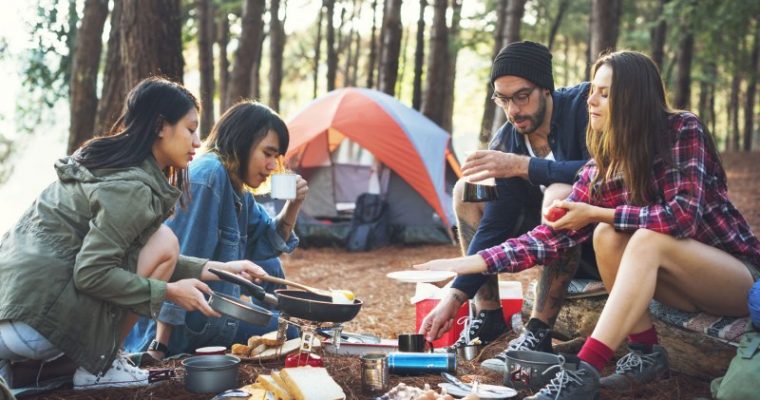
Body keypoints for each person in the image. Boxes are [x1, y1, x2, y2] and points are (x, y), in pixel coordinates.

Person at [415, 50, 760, 399]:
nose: (591, 101)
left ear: (634, 98)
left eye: (604, 93)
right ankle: (645, 354)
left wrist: (597, 214)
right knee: (608, 236)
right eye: (594, 90)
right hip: (676, 286)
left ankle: (584, 371)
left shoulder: (682, 128)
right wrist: (470, 266)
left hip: (733, 279)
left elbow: (681, 218)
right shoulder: (607, 159)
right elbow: (551, 236)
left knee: (643, 238)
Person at [0, 78, 272, 390]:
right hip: (37, 325)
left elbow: (135, 254)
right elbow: (91, 273)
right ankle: (100, 367)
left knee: (161, 242)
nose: (197, 141)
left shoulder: (110, 166)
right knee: (165, 240)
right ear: (160, 126)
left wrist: (222, 270)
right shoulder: (132, 187)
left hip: (14, 312)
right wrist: (169, 292)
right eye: (190, 129)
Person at [419, 40, 596, 369]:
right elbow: (496, 225)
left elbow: (606, 171)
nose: (513, 110)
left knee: (559, 193)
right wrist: (455, 296)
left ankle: (539, 332)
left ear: (546, 89)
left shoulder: (584, 109)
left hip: (600, 238)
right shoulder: (509, 138)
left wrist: (522, 166)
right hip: (539, 244)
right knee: (468, 190)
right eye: (503, 99)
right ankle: (488, 315)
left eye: (521, 96)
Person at [125, 101, 308, 360]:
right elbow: (176, 263)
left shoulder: (236, 187)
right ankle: (280, 327)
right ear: (243, 142)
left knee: (271, 266)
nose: (271, 166)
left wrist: (293, 205)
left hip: (212, 316)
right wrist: (159, 347)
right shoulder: (209, 178)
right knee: (292, 335)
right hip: (187, 327)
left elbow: (268, 242)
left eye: (275, 158)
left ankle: (279, 323)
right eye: (267, 154)